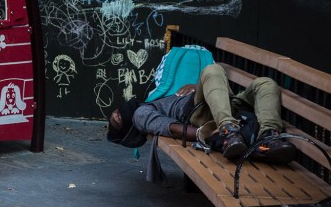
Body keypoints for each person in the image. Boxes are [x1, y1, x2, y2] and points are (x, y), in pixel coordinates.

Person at [107, 63, 294, 163]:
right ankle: (229, 131)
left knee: (265, 84)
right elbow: (170, 127)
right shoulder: (140, 115)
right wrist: (203, 134)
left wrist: (200, 88)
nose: (116, 114)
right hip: (202, 115)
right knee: (212, 70)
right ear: (128, 128)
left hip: (224, 104)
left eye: (114, 114)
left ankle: (269, 137)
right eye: (117, 120)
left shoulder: (153, 99)